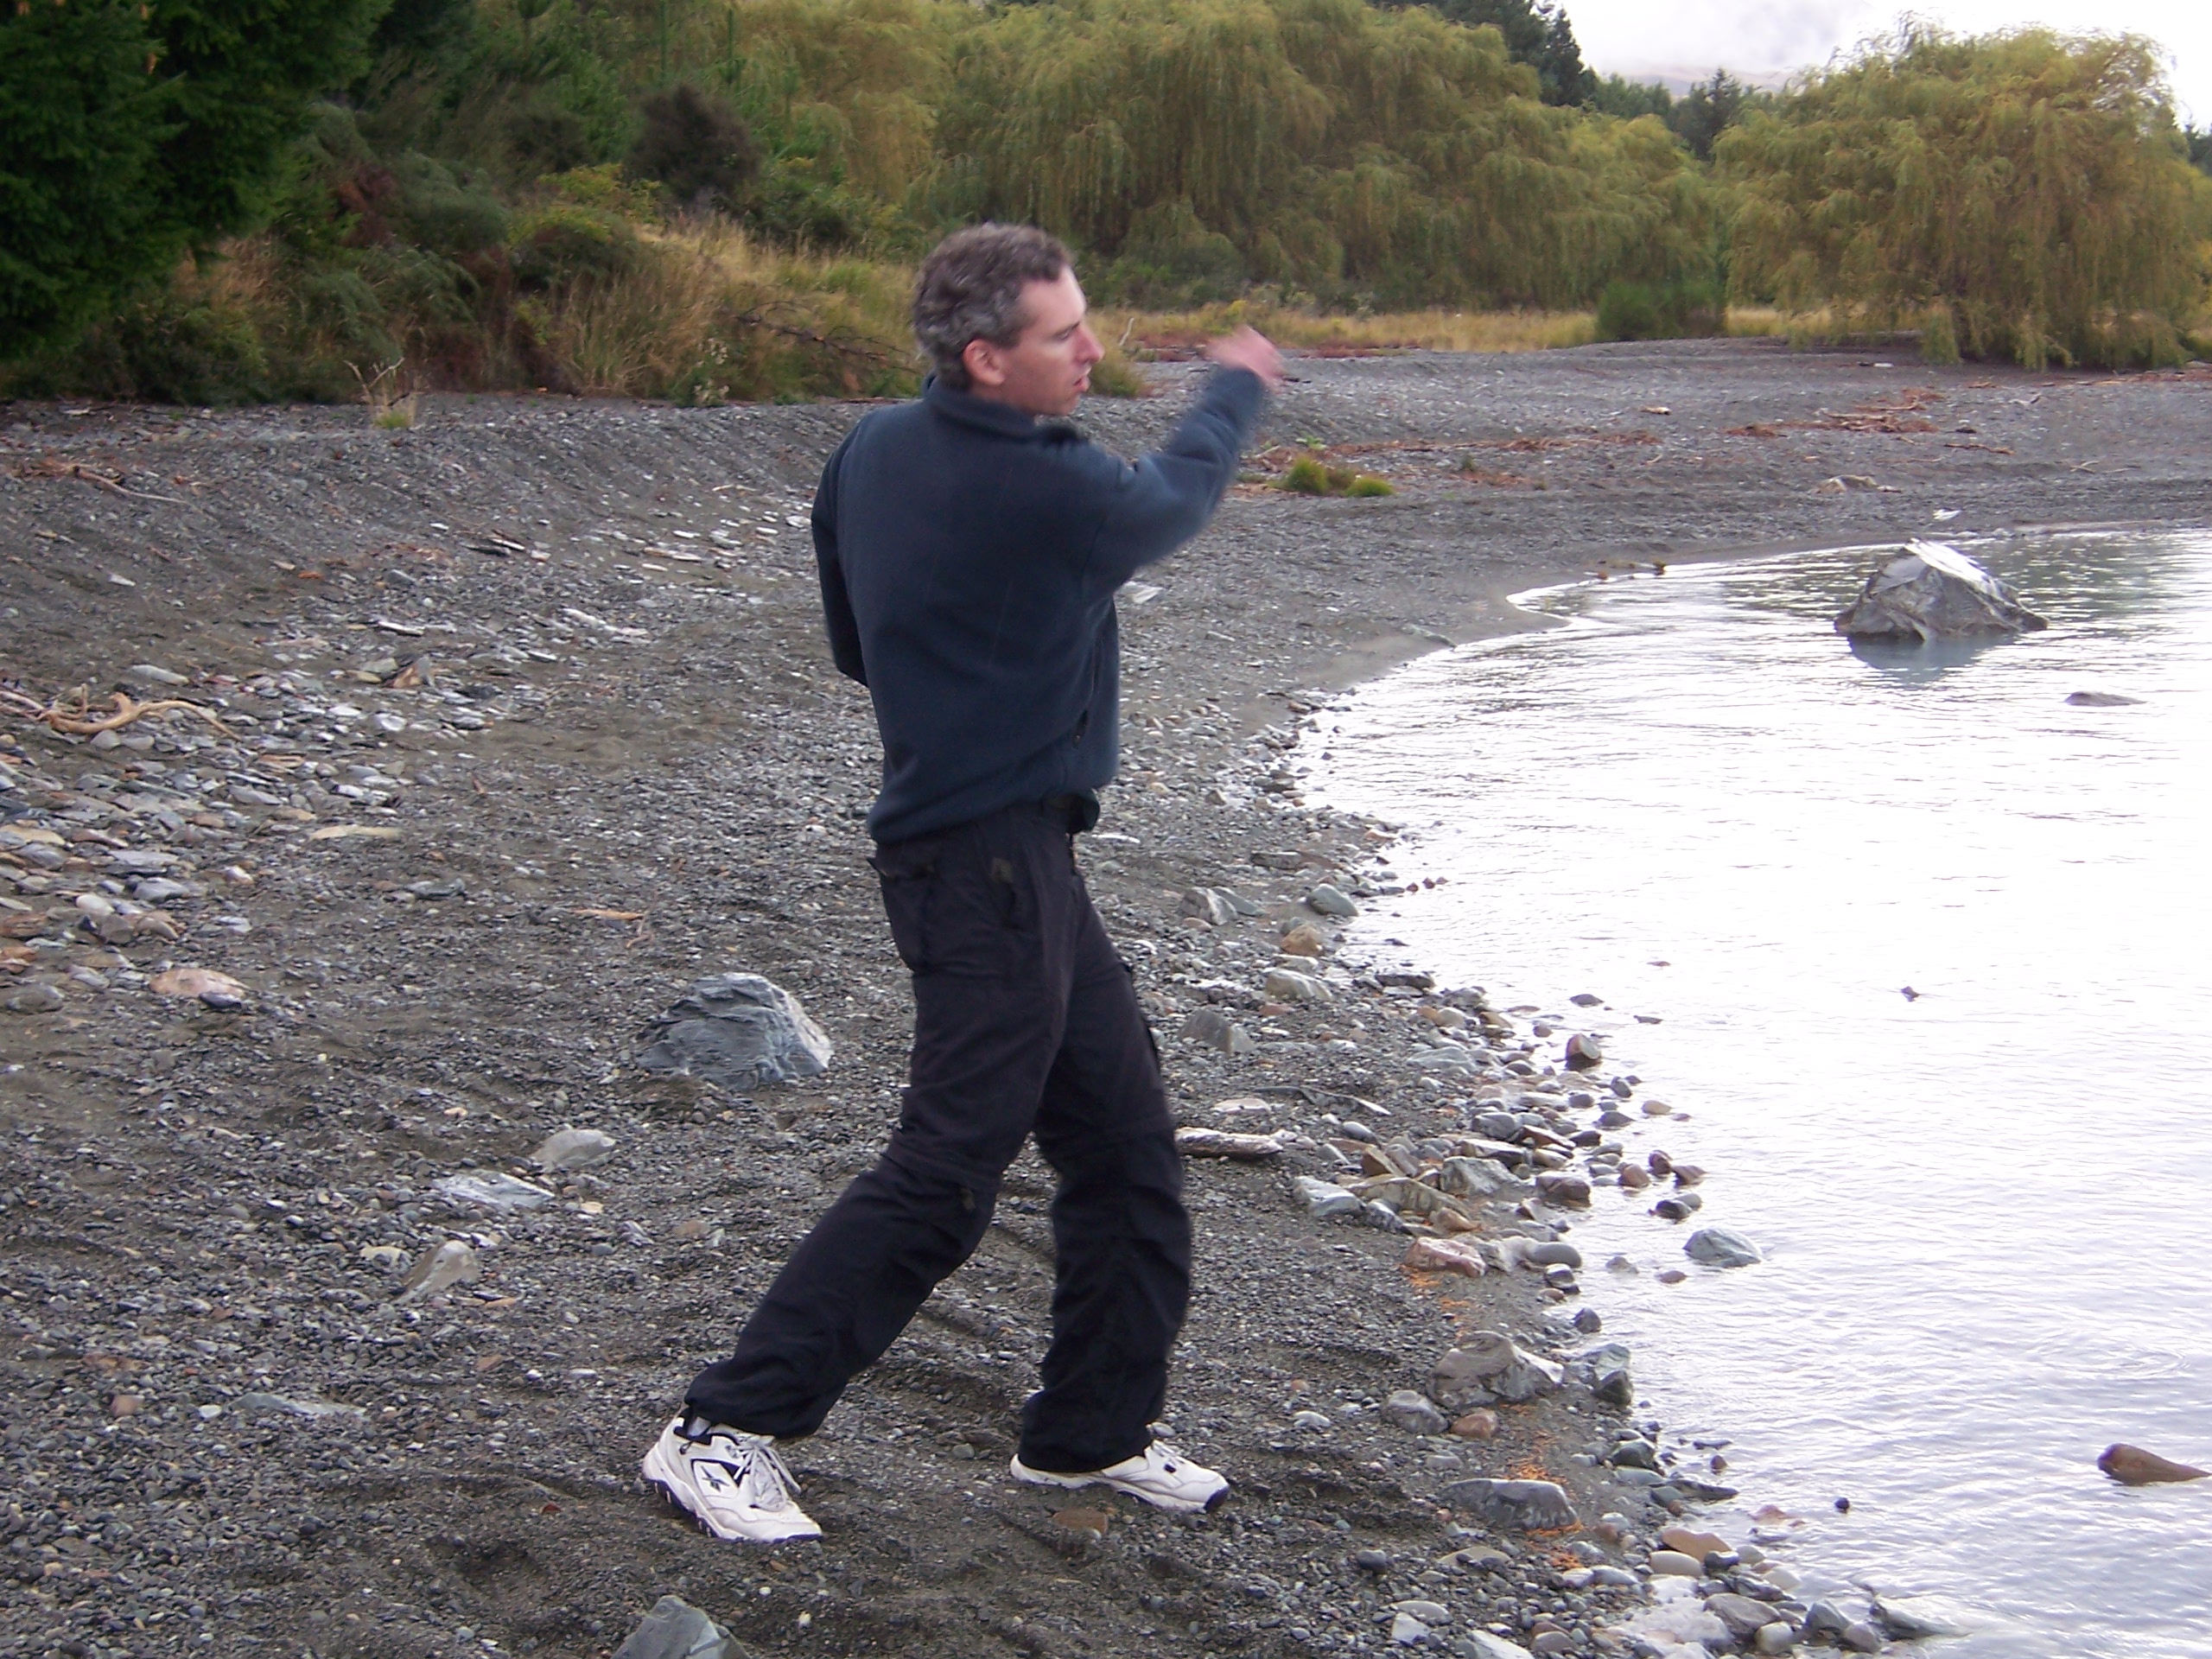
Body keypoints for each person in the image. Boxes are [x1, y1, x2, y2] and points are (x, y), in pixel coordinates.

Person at [641, 222, 1283, 1543]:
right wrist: (1235, 390)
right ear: (987, 358)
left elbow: (854, 638)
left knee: (1125, 1146)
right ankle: (720, 1429)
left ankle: (1090, 1433)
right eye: (1064, 334)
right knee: (946, 1172)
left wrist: (963, 671)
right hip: (979, 864)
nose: (1092, 351)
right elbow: (1168, 504)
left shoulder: (873, 448)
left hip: (1012, 855)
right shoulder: (1047, 480)